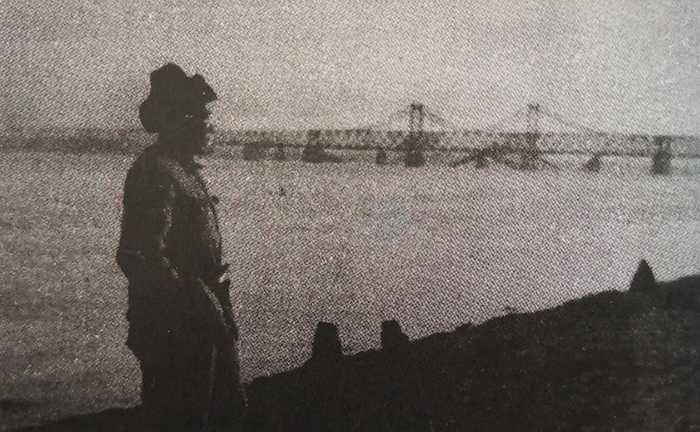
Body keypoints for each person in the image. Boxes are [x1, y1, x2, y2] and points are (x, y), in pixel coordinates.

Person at [116, 63, 246, 431]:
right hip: (175, 329)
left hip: (201, 320)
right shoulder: (156, 171)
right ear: (181, 120)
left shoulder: (181, 171)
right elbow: (140, 254)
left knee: (220, 411)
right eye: (202, 117)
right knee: (185, 418)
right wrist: (194, 298)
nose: (210, 126)